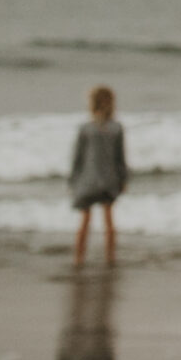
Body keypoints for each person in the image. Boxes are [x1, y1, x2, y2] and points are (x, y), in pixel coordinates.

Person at [68, 85, 129, 269]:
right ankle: (107, 258)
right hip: (105, 179)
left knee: (89, 221)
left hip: (90, 180)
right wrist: (123, 178)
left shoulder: (89, 128)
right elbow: (120, 158)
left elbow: (78, 158)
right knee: (104, 220)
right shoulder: (113, 127)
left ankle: (82, 259)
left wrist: (73, 180)